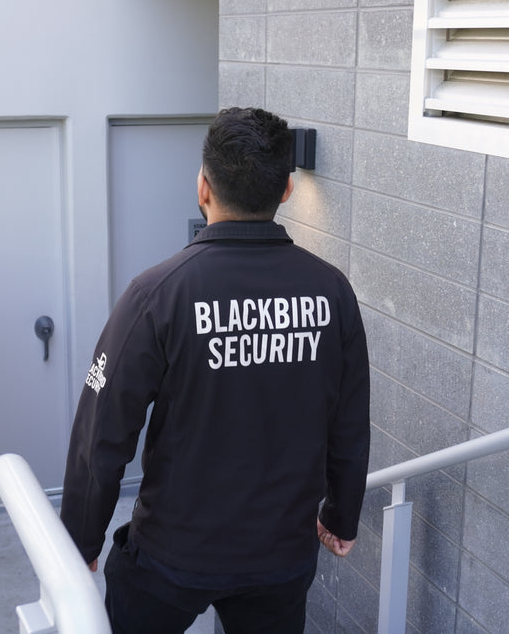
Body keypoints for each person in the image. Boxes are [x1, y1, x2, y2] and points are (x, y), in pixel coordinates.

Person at [60, 107, 370, 633]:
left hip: (171, 557)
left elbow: (104, 432)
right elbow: (349, 419)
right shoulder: (332, 292)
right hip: (281, 557)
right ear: (286, 191)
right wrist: (341, 515)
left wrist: (80, 539)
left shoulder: (157, 294)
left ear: (203, 187)